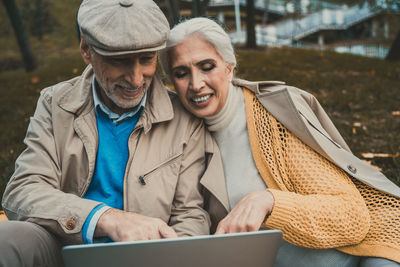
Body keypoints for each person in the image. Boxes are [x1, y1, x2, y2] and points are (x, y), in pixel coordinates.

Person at [159, 17, 400, 266]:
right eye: (181, 73)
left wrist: (269, 201)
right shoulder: (179, 134)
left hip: (360, 257)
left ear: (229, 67)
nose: (196, 84)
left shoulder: (271, 121)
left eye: (207, 66)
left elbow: (351, 217)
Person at [0, 2, 218, 267]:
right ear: (86, 50)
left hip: (147, 260)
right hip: (64, 251)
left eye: (147, 59)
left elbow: (190, 216)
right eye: (119, 61)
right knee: (7, 238)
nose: (137, 79)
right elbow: (22, 190)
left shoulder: (185, 120)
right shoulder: (54, 103)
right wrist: (105, 218)